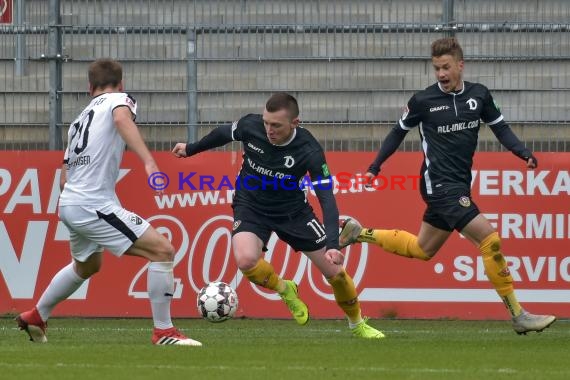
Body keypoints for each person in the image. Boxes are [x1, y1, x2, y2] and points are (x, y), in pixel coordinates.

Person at [337, 37, 556, 335]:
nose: (441, 73)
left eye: (446, 67)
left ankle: (357, 233)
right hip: (438, 185)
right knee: (489, 240)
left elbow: (500, 128)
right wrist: (376, 166)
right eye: (437, 68)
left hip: (459, 186)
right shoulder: (423, 101)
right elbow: (396, 133)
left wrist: (523, 153)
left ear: (460, 65)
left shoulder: (479, 96)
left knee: (422, 248)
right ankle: (518, 314)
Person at [16, 58, 201, 346]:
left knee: (86, 266)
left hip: (70, 202)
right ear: (121, 84)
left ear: (89, 87)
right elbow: (121, 119)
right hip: (92, 203)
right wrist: (149, 162)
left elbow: (64, 178)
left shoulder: (77, 122)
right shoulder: (120, 99)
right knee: (163, 251)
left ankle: (36, 315)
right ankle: (164, 332)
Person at [172, 92, 384, 338]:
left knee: (335, 273)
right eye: (266, 123)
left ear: (295, 123)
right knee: (246, 260)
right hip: (250, 204)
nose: (269, 130)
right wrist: (191, 148)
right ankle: (286, 289)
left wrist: (333, 245)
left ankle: (357, 324)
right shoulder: (251, 126)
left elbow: (326, 196)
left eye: (276, 125)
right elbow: (222, 134)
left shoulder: (309, 149)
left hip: (292, 211)